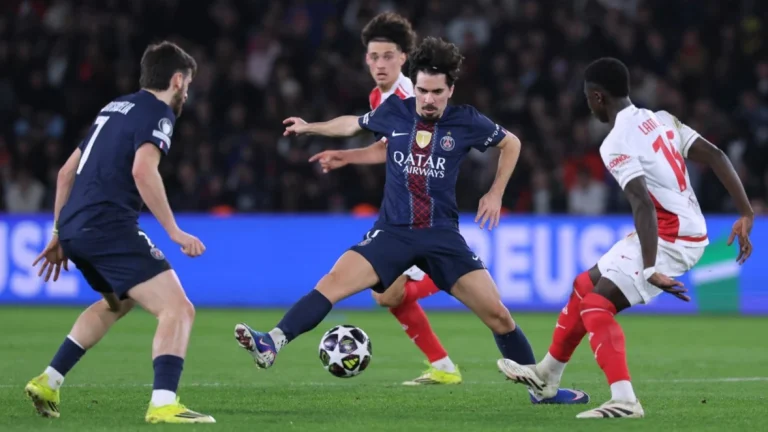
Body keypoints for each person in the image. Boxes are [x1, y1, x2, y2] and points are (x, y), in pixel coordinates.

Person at [235, 37, 589, 405]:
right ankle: (271, 342)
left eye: (437, 92)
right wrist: (310, 127)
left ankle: (541, 391)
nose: (428, 99)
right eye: (422, 90)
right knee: (332, 283)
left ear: (450, 90)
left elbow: (511, 143)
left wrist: (496, 192)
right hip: (393, 232)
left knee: (499, 316)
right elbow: (352, 124)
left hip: (441, 237)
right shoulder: (395, 111)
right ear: (414, 86)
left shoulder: (466, 120)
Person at [497, 57, 754, 419]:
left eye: (588, 99)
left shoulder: (615, 141)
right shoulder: (660, 118)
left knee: (596, 306)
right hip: (674, 228)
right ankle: (547, 375)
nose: (589, 106)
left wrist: (649, 268)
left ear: (598, 97)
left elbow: (642, 202)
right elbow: (716, 155)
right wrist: (746, 212)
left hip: (672, 237)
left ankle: (625, 400)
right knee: (584, 286)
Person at [25, 41, 215, 424]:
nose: (187, 92)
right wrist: (174, 232)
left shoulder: (114, 107)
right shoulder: (159, 112)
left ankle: (49, 380)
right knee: (178, 309)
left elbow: (65, 173)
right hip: (108, 226)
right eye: (188, 84)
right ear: (177, 80)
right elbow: (143, 171)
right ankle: (163, 403)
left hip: (76, 227)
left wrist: (59, 232)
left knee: (118, 303)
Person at [311, 11, 461, 386]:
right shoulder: (380, 97)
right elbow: (386, 146)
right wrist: (343, 152)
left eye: (388, 56)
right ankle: (443, 365)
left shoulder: (410, 95)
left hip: (421, 212)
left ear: (403, 58)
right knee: (387, 295)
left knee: (386, 293)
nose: (380, 64)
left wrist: (346, 154)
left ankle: (460, 275)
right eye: (373, 56)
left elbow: (397, 149)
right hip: (401, 209)